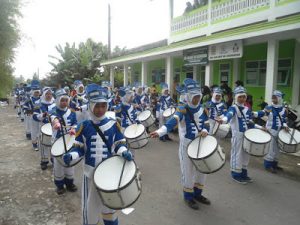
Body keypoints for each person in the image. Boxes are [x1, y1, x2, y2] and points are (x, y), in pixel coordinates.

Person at [62, 83, 133, 225]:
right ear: (90, 106)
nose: (100, 109)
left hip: (108, 174)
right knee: (90, 209)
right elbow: (79, 148)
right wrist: (72, 155)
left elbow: (119, 143)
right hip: (90, 175)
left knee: (109, 207)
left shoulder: (114, 124)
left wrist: (124, 152)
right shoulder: (83, 126)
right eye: (97, 106)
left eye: (103, 106)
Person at [150, 78, 211, 210]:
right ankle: (188, 197)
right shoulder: (182, 110)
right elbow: (172, 121)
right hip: (187, 147)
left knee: (202, 171)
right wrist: (160, 132)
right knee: (187, 172)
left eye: (198, 97)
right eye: (194, 97)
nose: (196, 100)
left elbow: (207, 124)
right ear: (188, 97)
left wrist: (206, 130)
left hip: (200, 145)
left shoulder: (203, 109)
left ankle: (198, 194)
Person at [216, 86, 263, 184]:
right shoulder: (233, 108)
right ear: (236, 97)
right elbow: (228, 116)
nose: (242, 99)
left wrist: (261, 127)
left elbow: (250, 122)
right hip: (237, 136)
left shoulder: (247, 108)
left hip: (247, 135)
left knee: (246, 154)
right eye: (240, 97)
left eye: (244, 97)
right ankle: (236, 174)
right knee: (237, 154)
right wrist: (223, 120)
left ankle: (243, 173)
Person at [253, 90, 289, 173]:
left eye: (275, 97)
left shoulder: (283, 109)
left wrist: (285, 126)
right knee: (270, 148)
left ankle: (274, 164)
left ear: (279, 98)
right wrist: (253, 113)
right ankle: (268, 165)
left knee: (277, 149)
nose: (273, 98)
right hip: (270, 131)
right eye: (272, 97)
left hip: (280, 132)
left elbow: (283, 120)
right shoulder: (269, 108)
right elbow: (261, 113)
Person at [51, 89, 78, 194]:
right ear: (58, 101)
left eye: (66, 100)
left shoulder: (71, 112)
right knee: (58, 164)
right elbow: (54, 118)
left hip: (69, 140)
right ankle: (59, 185)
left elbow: (75, 123)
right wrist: (56, 123)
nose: (64, 103)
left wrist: (73, 129)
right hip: (58, 140)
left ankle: (70, 183)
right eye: (62, 100)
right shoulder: (54, 110)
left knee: (70, 162)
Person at [33, 87, 56, 170]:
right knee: (44, 144)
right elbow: (34, 116)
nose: (49, 95)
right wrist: (42, 115)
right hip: (43, 125)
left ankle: (54, 159)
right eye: (47, 94)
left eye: (50, 94)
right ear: (43, 94)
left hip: (54, 126)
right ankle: (44, 161)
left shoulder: (55, 102)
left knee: (54, 143)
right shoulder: (37, 103)